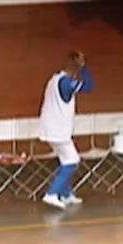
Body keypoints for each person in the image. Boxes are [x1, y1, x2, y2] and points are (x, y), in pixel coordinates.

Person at [39, 51, 94, 210]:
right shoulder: (65, 83)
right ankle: (52, 194)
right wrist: (84, 69)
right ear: (76, 67)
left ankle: (66, 194)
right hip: (58, 130)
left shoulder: (54, 79)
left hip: (51, 128)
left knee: (66, 160)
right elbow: (89, 87)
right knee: (72, 161)